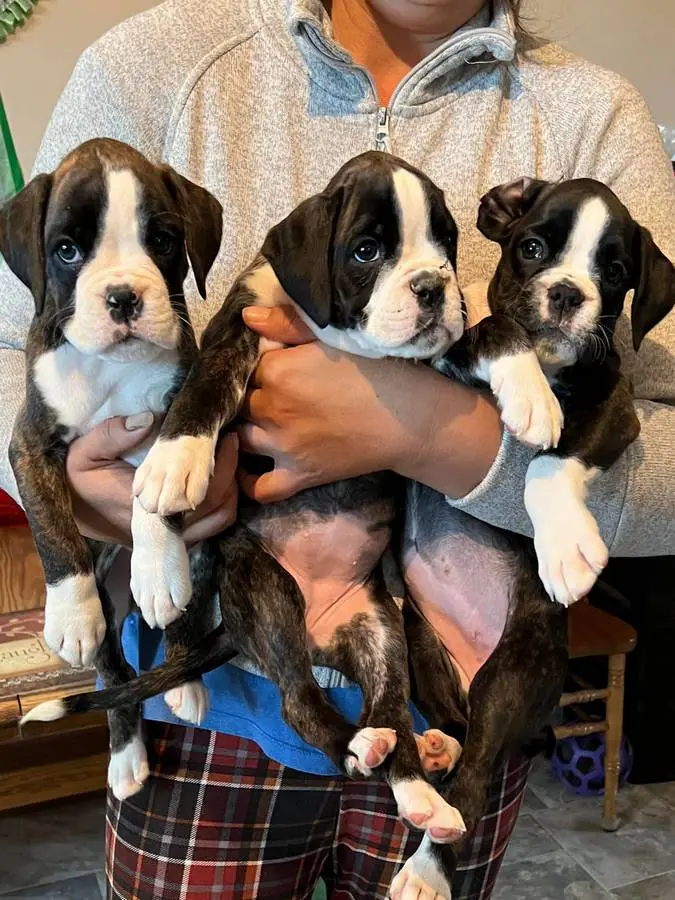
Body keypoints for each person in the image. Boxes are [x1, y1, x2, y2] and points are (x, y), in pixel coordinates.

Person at [1, 1, 674, 897]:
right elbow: (16, 345)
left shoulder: (594, 111)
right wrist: (91, 496)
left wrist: (423, 430)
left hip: (450, 692)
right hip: (213, 689)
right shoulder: (156, 58)